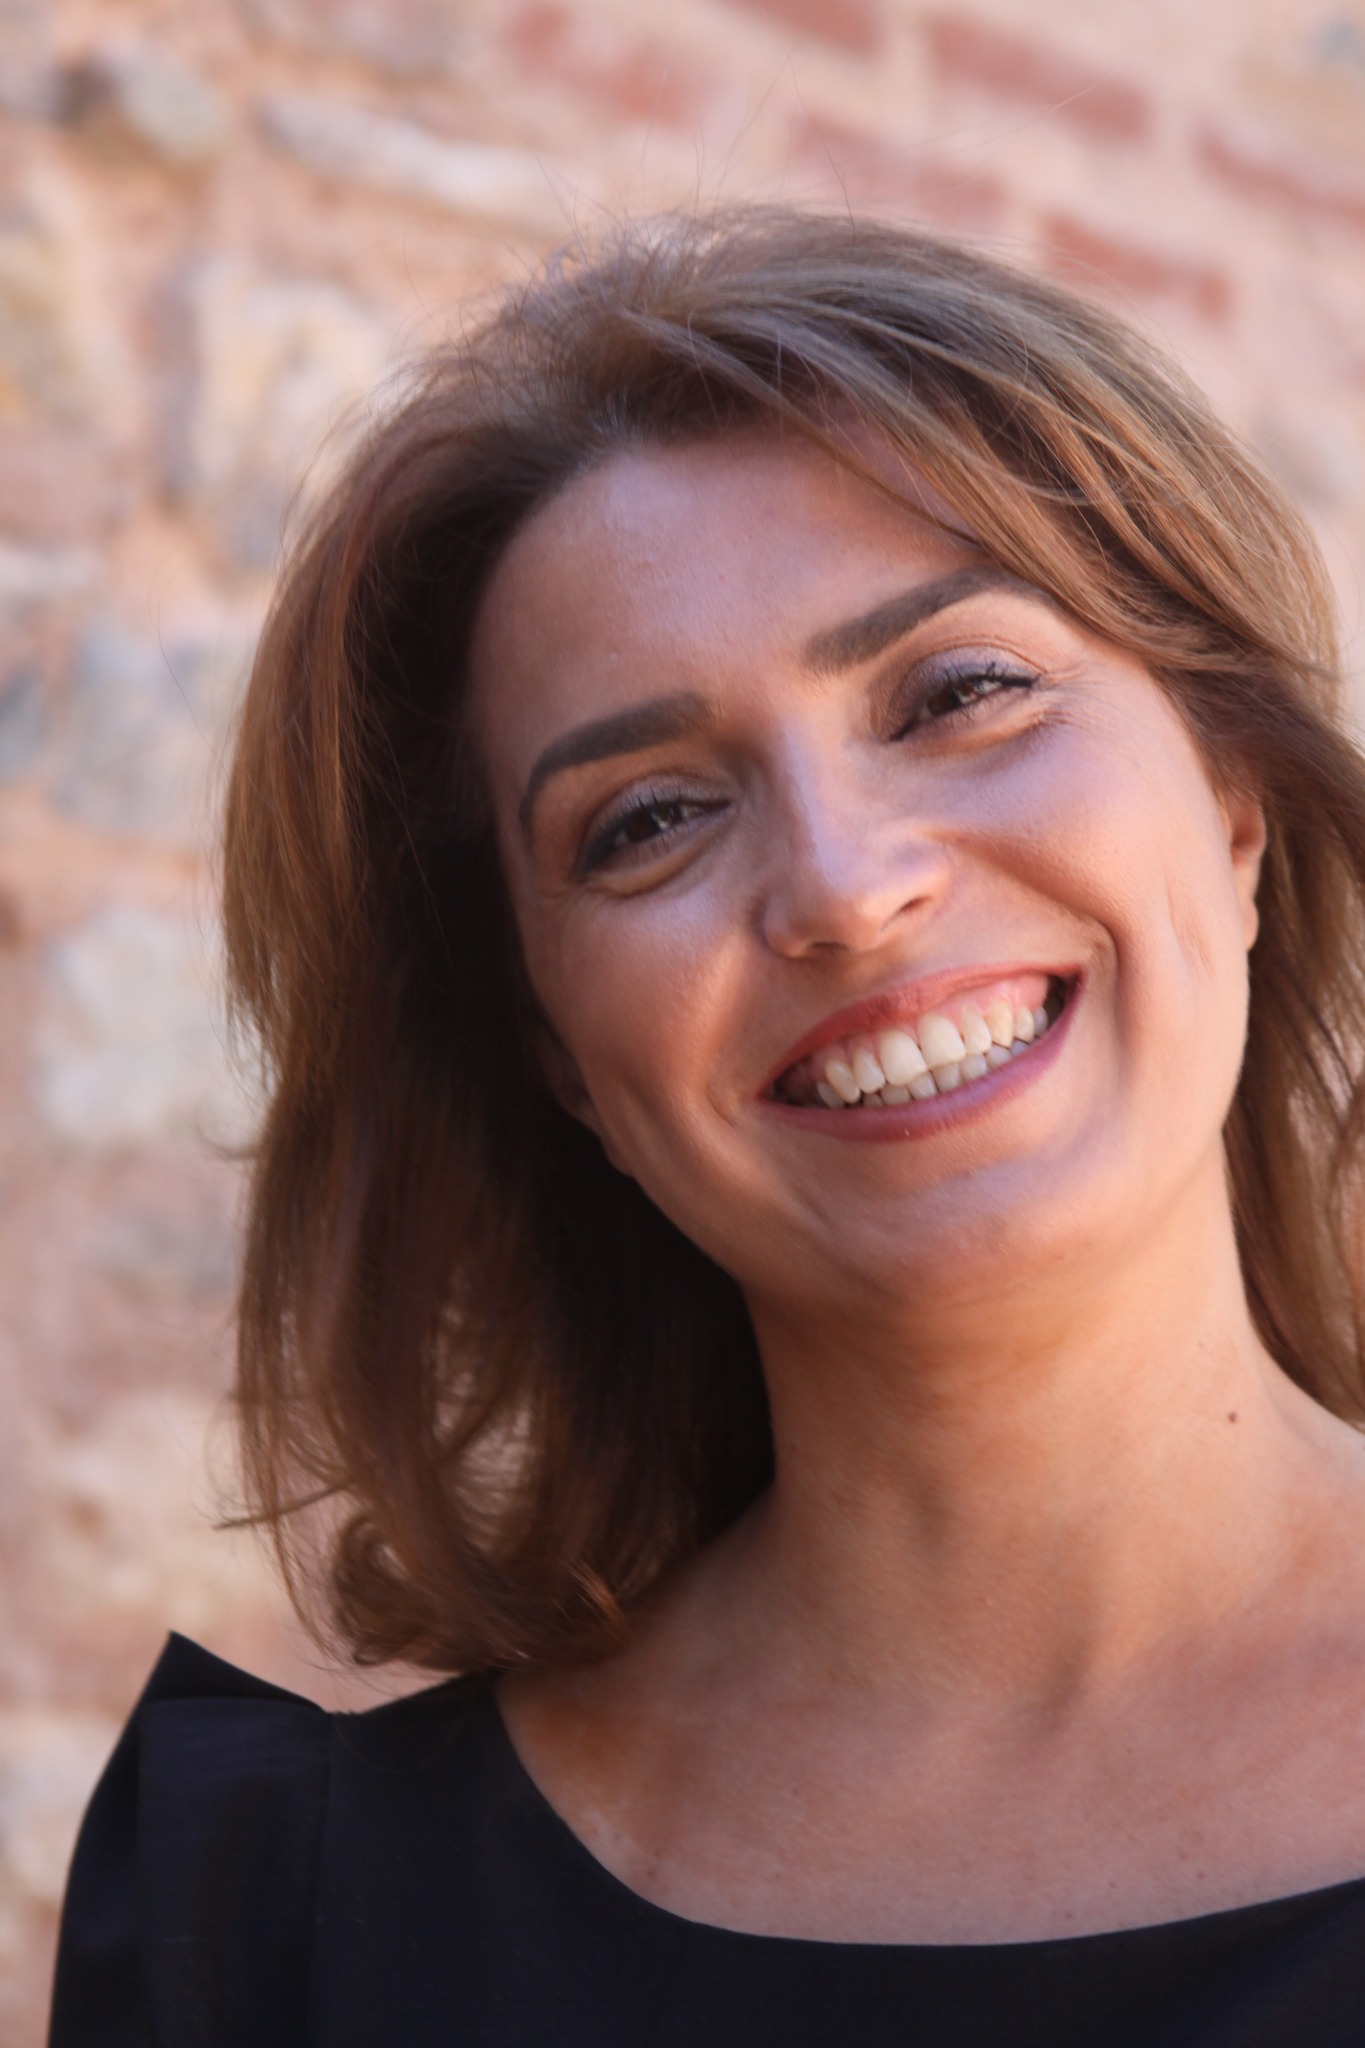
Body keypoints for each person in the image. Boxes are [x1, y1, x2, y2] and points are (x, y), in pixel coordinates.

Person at [49, 207, 1365, 2045]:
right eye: (648, 818)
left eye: (961, 693)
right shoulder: (287, 1931)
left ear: (1232, 816)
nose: (842, 889)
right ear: (557, 1055)